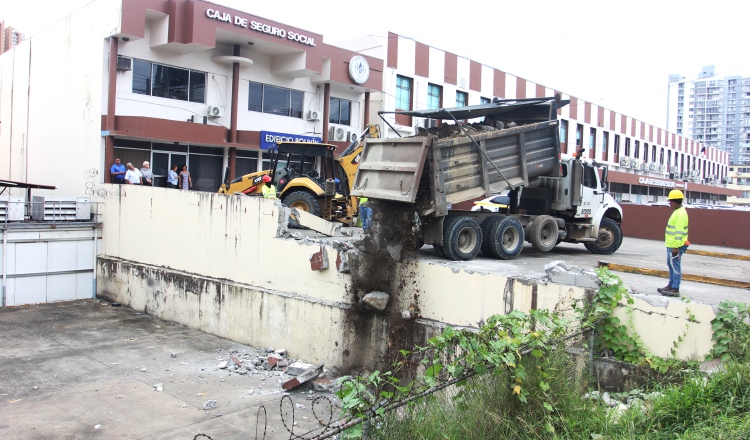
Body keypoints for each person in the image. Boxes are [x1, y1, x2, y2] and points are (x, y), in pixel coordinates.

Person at [658, 189, 689, 297]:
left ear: (675, 201)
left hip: (676, 246)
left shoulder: (680, 214)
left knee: (675, 266)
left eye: (670, 201)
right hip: (671, 244)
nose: (669, 203)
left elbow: (679, 233)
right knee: (671, 265)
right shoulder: (677, 212)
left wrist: (676, 247)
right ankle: (671, 285)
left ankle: (675, 288)